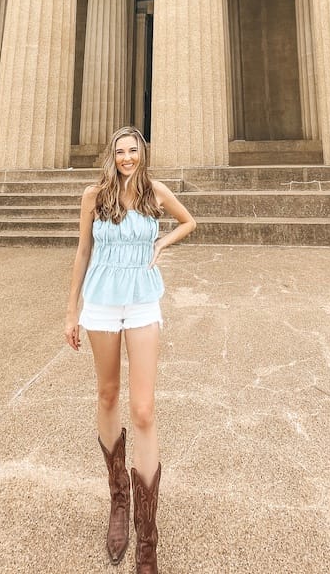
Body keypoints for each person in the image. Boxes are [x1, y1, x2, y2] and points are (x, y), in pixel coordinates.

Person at [65, 125, 196, 573]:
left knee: (143, 409)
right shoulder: (94, 195)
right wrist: (71, 311)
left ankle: (148, 538)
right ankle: (118, 497)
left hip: (141, 300)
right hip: (101, 303)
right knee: (107, 395)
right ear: (112, 155)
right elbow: (83, 252)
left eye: (133, 151)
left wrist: (163, 239)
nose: (127, 158)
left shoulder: (154, 192)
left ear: (143, 154)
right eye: (120, 151)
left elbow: (190, 221)